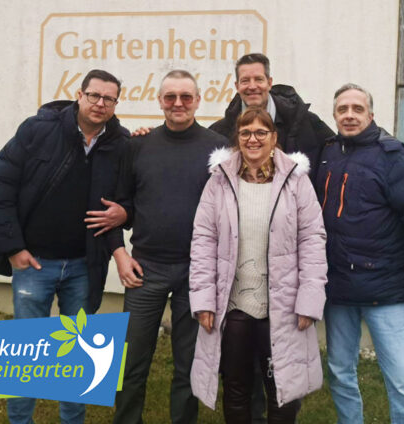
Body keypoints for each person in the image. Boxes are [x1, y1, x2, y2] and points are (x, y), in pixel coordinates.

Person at [0, 69, 130, 424]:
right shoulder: (38, 130)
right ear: (79, 95)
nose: (100, 103)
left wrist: (125, 212)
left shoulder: (121, 143)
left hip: (84, 265)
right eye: (94, 95)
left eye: (109, 98)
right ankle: (20, 420)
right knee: (26, 354)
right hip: (33, 262)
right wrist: (13, 248)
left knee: (79, 354)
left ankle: (72, 420)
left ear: (116, 103)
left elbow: (131, 194)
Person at [316, 83, 404, 424]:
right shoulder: (328, 153)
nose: (349, 115)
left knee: (400, 378)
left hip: (385, 290)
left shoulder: (393, 158)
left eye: (357, 109)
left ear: (371, 115)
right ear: (334, 115)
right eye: (342, 109)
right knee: (340, 371)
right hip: (339, 289)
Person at [189, 107, 327, 423]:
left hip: (283, 307)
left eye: (261, 132)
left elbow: (313, 241)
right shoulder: (219, 181)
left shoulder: (296, 181)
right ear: (237, 138)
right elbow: (203, 241)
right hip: (233, 306)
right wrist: (204, 300)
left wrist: (309, 300)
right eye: (246, 133)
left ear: (274, 138)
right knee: (236, 386)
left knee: (282, 388)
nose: (253, 139)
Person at [107, 70, 228, 424]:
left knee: (188, 364)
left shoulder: (219, 149)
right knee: (132, 360)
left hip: (198, 271)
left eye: (186, 97)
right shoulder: (138, 145)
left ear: (198, 101)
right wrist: (119, 254)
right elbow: (117, 205)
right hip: (146, 269)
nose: (178, 103)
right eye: (170, 97)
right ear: (160, 101)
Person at [210, 53, 334, 182]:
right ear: (237, 86)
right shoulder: (220, 132)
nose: (252, 86)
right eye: (245, 81)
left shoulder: (306, 123)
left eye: (258, 79)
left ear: (269, 83)